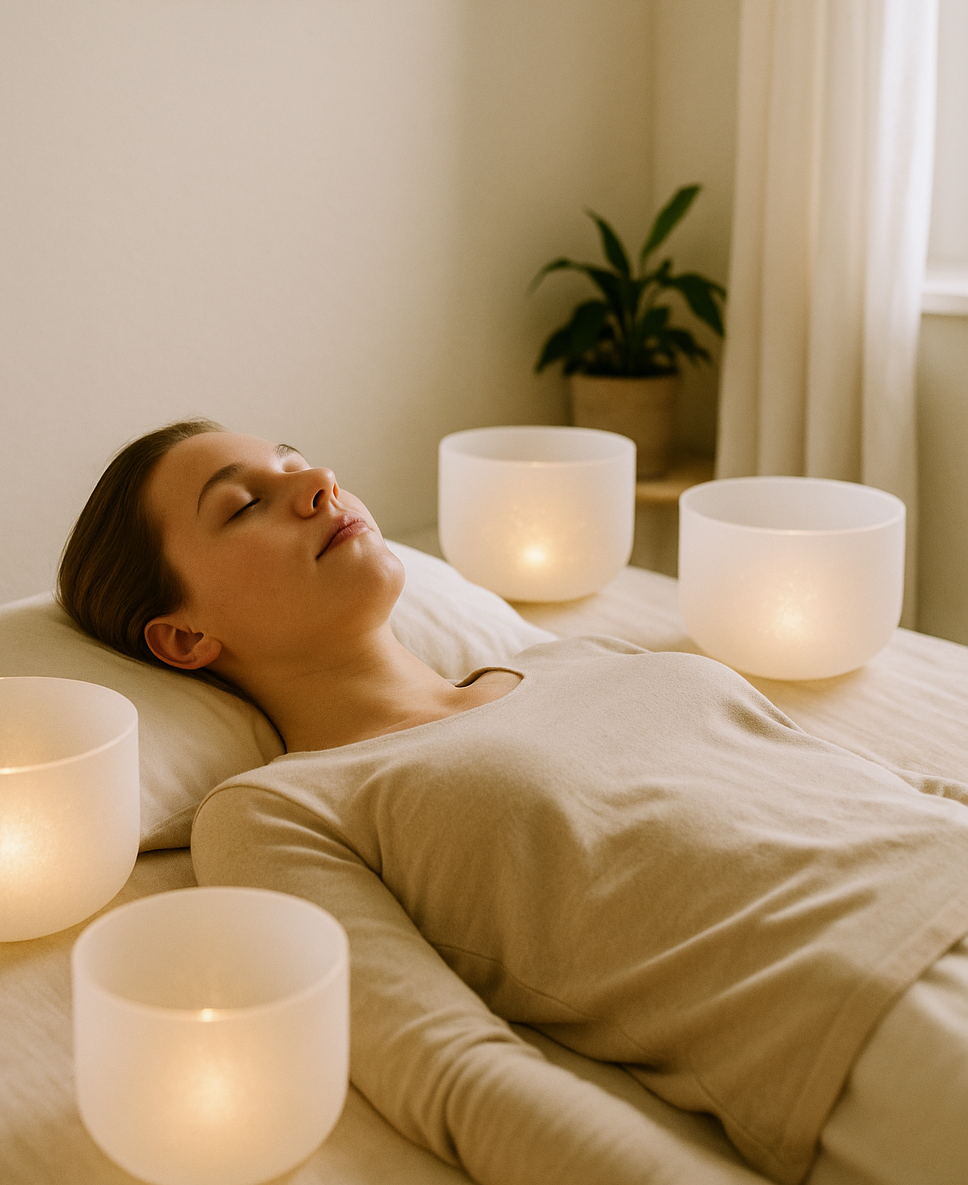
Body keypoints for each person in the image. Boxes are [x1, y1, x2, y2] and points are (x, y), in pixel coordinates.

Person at [59, 419, 968, 1185]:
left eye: (300, 464)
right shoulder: (277, 811)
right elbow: (453, 1070)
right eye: (245, 502)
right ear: (184, 636)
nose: (320, 484)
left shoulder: (583, 655)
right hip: (879, 1007)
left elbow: (879, 786)